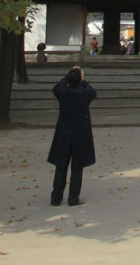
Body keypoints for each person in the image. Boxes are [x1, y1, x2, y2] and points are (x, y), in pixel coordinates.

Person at [47, 66, 96, 207]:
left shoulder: (63, 92)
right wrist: (83, 80)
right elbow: (93, 92)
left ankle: (56, 198)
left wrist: (67, 76)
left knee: (61, 165)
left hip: (64, 131)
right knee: (77, 166)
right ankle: (73, 198)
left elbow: (57, 87)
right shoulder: (85, 93)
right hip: (80, 132)